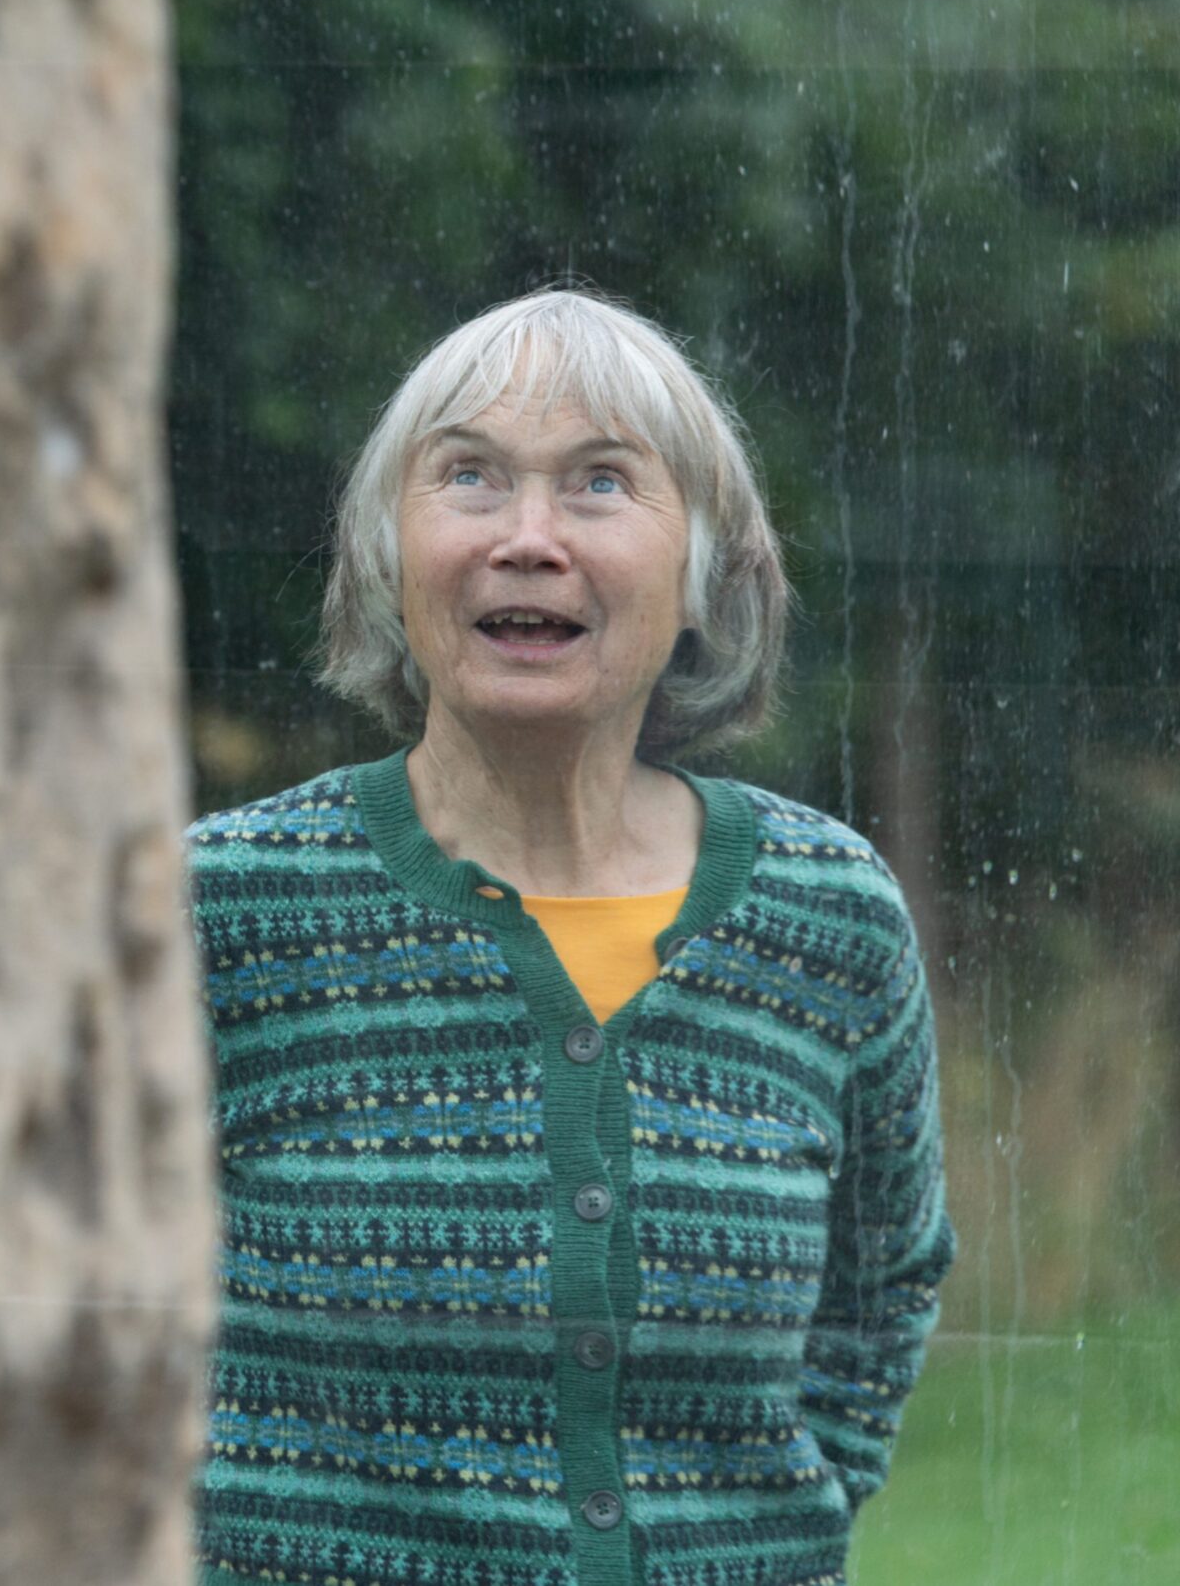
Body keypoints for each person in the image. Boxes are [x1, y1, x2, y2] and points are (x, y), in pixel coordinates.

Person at [181, 286, 955, 1586]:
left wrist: (767, 1529)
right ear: (387, 550)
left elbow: (885, 1291)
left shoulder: (830, 914)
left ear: (706, 565)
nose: (528, 537)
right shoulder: (225, 907)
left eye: (602, 484)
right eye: (470, 478)